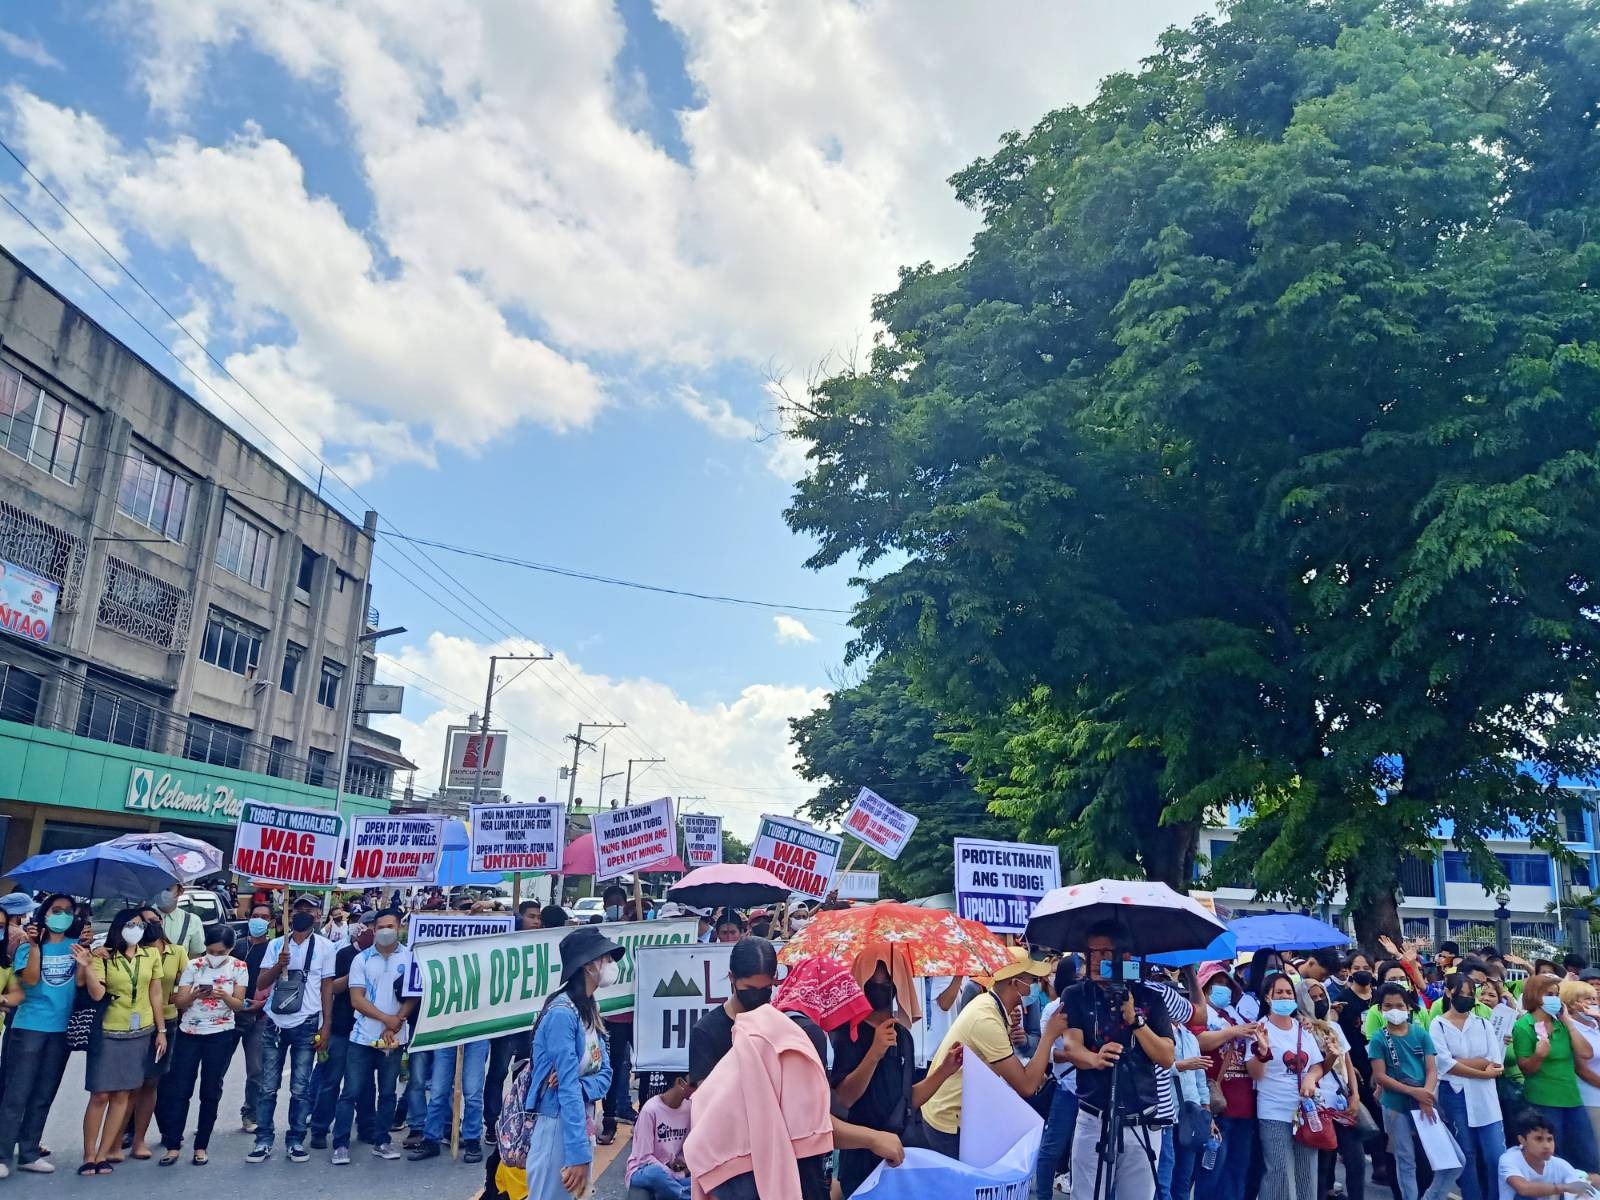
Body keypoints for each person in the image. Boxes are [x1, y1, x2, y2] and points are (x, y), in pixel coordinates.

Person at [497, 925, 618, 1200]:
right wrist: (577, 1153)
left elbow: (605, 1074)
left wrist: (581, 1085)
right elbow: (566, 1089)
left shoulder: (590, 1009)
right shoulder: (562, 1015)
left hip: (579, 1122)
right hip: (557, 1127)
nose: (612, 964)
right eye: (607, 958)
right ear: (588, 965)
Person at [1057, 926, 1175, 1200]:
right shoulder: (1075, 994)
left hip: (1142, 1120)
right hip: (1094, 1118)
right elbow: (1072, 1046)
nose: (1096, 960)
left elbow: (1166, 1057)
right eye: (1091, 952)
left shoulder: (1150, 997)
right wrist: (1095, 1059)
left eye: (1105, 952)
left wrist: (1136, 1021)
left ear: (1125, 957)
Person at [832, 947, 960, 1197]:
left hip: (898, 1159)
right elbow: (844, 1099)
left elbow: (906, 1099)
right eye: (873, 980)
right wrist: (874, 1053)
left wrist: (944, 1071)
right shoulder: (849, 1034)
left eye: (888, 980)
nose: (881, 986)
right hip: (860, 1159)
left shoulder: (903, 1037)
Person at [920, 948, 1065, 1160]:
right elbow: (1026, 1086)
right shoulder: (986, 1019)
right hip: (949, 1120)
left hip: (965, 1112)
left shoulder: (990, 1006)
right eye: (1031, 980)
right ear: (1015, 983)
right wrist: (1049, 1036)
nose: (1035, 986)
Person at [0, 894, 86, 1178]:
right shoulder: (27, 947)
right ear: (44, 914)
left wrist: (86, 956)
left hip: (61, 1029)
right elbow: (31, 980)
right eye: (56, 910)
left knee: (43, 1094)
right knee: (16, 1094)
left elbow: (82, 983)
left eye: (68, 911)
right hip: (30, 1027)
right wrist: (36, 946)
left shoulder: (76, 946)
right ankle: (2, 1155)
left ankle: (29, 1152)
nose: (63, 915)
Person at [247, 895, 337, 1163]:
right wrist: (279, 964)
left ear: (318, 916)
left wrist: (326, 1026)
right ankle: (263, 1140)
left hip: (306, 1022)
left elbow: (327, 988)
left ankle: (295, 1139)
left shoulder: (325, 947)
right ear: (289, 915)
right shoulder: (277, 945)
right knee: (267, 1087)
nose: (302, 914)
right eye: (298, 910)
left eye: (308, 910)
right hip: (275, 1023)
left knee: (300, 1088)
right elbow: (261, 983)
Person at [81, 908, 167, 1176]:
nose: (135, 929)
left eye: (140, 925)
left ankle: (104, 1154)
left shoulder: (151, 955)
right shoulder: (104, 956)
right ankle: (89, 1155)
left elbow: (155, 993)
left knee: (124, 1094)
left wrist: (161, 1030)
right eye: (130, 924)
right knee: (100, 1094)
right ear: (119, 926)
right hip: (109, 1030)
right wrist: (88, 966)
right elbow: (97, 994)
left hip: (140, 1031)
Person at [154, 924, 247, 1165]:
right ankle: (173, 1145)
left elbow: (239, 1005)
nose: (215, 956)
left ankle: (201, 1146)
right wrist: (195, 994)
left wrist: (223, 995)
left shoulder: (239, 967)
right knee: (180, 1089)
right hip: (190, 1032)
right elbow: (179, 1002)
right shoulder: (194, 965)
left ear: (230, 949)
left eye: (221, 952)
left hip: (220, 1033)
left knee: (210, 1090)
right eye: (211, 951)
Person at [334, 909, 413, 1165]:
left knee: (388, 1093)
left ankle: (382, 1141)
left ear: (400, 928)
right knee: (351, 1092)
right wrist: (387, 1019)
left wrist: (396, 1021)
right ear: (373, 929)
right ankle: (340, 1144)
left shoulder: (411, 958)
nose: (385, 931)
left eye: (391, 926)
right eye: (380, 927)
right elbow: (356, 999)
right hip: (362, 1036)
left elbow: (414, 995)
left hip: (394, 1038)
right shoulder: (362, 959)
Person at [1369, 980, 1459, 1200]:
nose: (1394, 1010)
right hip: (1395, 1106)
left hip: (1424, 1103)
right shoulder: (1379, 1038)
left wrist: (1425, 1095)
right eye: (1388, 1006)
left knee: (1456, 1161)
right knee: (1405, 1160)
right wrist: (1413, 1093)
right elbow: (1381, 1076)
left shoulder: (1420, 1033)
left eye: (1399, 1005)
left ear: (1408, 1007)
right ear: (1381, 1009)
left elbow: (1431, 1069)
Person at [1244, 972, 1324, 1200]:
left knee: (1306, 1173)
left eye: (1289, 992)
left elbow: (1317, 1065)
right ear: (1267, 997)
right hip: (1274, 1112)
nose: (1285, 996)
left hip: (1305, 1111)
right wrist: (1262, 1053)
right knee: (1280, 1174)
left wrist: (1310, 1078)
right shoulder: (1259, 1029)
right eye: (1278, 992)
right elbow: (1255, 1074)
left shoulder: (1302, 1028)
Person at [1432, 972, 1507, 1200]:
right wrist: (1481, 1071)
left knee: (1496, 1155)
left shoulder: (1483, 1024)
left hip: (1485, 1097)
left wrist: (1460, 1063)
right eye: (1461, 993)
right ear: (1448, 993)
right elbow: (1443, 1064)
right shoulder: (1438, 1025)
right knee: (1466, 1155)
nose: (1466, 998)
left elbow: (1494, 1060)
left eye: (1470, 994)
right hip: (1455, 1095)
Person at [1515, 974, 1600, 1171]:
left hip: (1571, 1098)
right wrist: (1538, 1056)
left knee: (1587, 1154)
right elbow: (1526, 1069)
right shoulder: (1524, 1025)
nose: (1554, 999)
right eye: (1549, 994)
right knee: (1554, 1156)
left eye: (1556, 995)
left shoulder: (1561, 1023)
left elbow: (1586, 1053)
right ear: (1535, 995)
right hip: (1544, 1100)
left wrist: (1568, 1021)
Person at [128, 904, 189, 1160]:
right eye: (144, 923)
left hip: (168, 1020)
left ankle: (166, 1131)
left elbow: (187, 983)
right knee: (133, 1081)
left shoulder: (177, 952)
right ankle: (125, 1131)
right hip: (138, 1021)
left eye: (154, 921)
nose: (151, 926)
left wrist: (178, 997)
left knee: (159, 1081)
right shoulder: (133, 952)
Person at [1195, 964, 1256, 1200]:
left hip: (1244, 1103)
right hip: (1217, 1103)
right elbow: (1200, 1041)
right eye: (1216, 983)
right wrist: (1232, 1032)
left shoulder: (1234, 1014)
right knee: (1212, 1171)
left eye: (1226, 984)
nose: (1223, 988)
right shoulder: (1198, 1014)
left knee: (1238, 1169)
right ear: (1204, 987)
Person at [1299, 977, 1363, 1200]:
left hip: (1342, 1101)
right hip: (1319, 1105)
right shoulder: (1301, 1029)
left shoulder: (1333, 1027)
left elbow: (1347, 1063)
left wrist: (1355, 1095)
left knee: (1356, 1160)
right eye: (1313, 998)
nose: (1320, 1001)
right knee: (1323, 1163)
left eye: (1322, 996)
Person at [690, 936, 779, 1085]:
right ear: (732, 977)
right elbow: (707, 1093)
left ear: (774, 979)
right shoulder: (706, 1031)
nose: (757, 996)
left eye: (766, 988)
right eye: (750, 988)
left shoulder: (779, 1025)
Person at [307, 934, 362, 1149]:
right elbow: (331, 988)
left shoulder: (381, 958)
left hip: (367, 1030)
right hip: (341, 1027)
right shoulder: (344, 954)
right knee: (330, 1081)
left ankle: (366, 1127)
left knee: (362, 1085)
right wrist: (353, 975)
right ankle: (319, 1129)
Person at [1037, 957, 1081, 1200]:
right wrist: (1079, 1055)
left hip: (1094, 1089)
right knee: (1052, 1148)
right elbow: (1049, 1053)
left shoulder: (1090, 1004)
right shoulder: (1052, 1010)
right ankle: (1043, 1195)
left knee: (1085, 1150)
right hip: (1067, 1088)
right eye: (1077, 976)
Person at [1499, 1109, 1600, 1200]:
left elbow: (1579, 1188)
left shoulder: (1560, 1165)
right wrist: (1565, 1187)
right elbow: (1523, 1188)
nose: (1547, 1146)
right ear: (1522, 1140)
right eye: (1539, 1139)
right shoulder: (1509, 1159)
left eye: (1550, 1139)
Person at [234, 902, 274, 1133]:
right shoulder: (237, 946)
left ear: (271, 923)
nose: (258, 920)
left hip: (260, 1016)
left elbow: (279, 983)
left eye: (264, 917)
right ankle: (207, 1119)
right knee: (216, 1070)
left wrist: (263, 1004)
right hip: (232, 1015)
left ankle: (251, 1114)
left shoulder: (275, 950)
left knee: (257, 1070)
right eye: (255, 915)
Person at [626, 1072, 693, 1200]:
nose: (695, 1090)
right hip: (645, 1171)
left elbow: (686, 1148)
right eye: (693, 1085)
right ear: (679, 1083)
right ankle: (685, 1195)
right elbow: (644, 1158)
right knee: (655, 1173)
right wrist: (673, 1175)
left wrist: (681, 1164)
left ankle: (678, 1192)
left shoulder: (689, 1108)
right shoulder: (650, 1110)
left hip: (673, 1173)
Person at [155, 885, 205, 958]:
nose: (162, 892)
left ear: (179, 892)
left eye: (167, 889)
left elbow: (196, 955)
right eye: (158, 888)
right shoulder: (143, 916)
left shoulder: (192, 920)